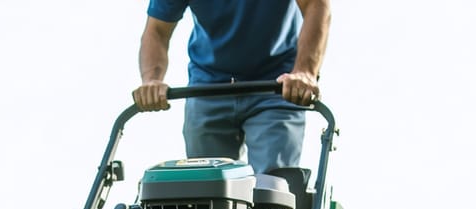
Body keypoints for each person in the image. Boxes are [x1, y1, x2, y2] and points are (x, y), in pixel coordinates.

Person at [132, 0, 331, 175]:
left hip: (275, 86)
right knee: (204, 190)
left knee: (272, 187)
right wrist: (152, 80)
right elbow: (157, 30)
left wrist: (305, 71)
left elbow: (317, 5)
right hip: (208, 86)